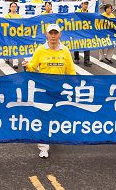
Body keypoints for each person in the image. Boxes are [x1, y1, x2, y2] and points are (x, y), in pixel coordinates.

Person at [22, 24, 76, 158]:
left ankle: (54, 136)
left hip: (60, 90)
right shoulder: (40, 50)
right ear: (46, 35)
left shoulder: (65, 51)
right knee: (43, 117)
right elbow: (33, 67)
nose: (53, 36)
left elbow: (71, 71)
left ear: (60, 34)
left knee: (56, 116)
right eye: (50, 33)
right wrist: (27, 65)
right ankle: (43, 147)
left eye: (55, 33)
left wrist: (74, 85)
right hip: (43, 90)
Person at [74, 0, 93, 67]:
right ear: (81, 4)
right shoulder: (77, 12)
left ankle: (86, 60)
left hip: (86, 31)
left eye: (87, 4)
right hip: (78, 30)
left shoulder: (89, 13)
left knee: (87, 45)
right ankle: (76, 58)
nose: (85, 5)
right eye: (84, 4)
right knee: (76, 44)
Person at [4, 2, 23, 69]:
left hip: (16, 34)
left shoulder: (19, 16)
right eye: (12, 6)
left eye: (15, 6)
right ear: (10, 8)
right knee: (8, 46)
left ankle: (15, 63)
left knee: (15, 47)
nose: (14, 8)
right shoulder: (7, 16)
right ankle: (7, 58)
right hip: (8, 34)